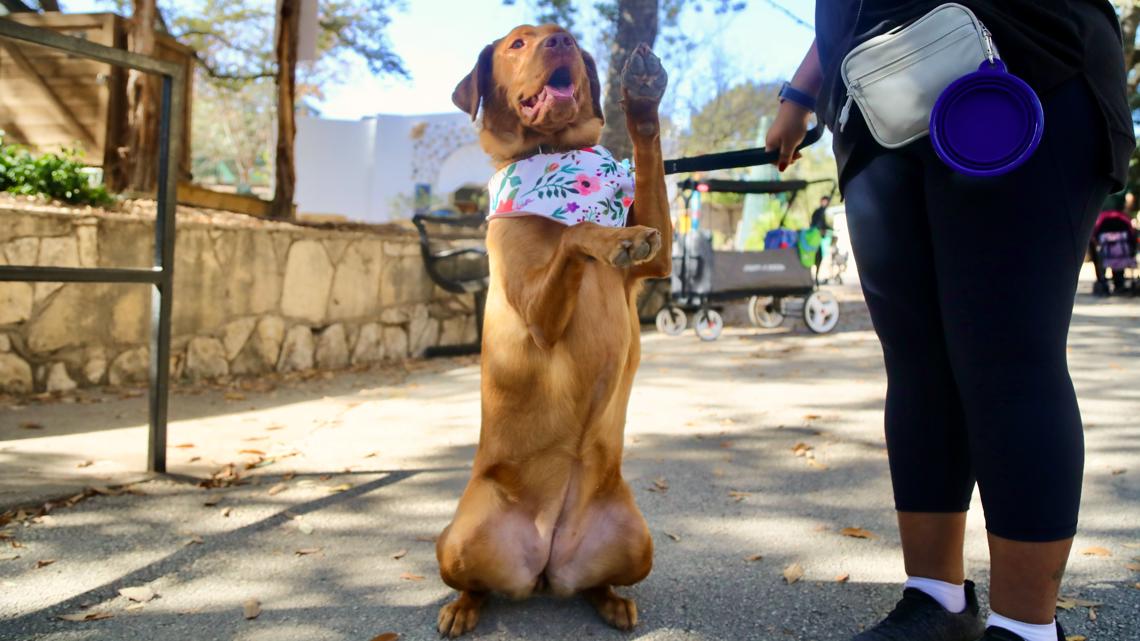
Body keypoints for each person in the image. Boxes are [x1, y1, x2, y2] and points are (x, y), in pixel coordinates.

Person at [765, 2, 1134, 641]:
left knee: (1006, 355)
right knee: (917, 364)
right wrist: (801, 92)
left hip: (1019, 64)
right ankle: (936, 599)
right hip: (873, 100)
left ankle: (1025, 628)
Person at [810, 196, 833, 282]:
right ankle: (814, 278)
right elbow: (818, 224)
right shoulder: (819, 212)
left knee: (819, 257)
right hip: (815, 237)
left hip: (818, 237)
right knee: (817, 257)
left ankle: (816, 277)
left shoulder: (821, 212)